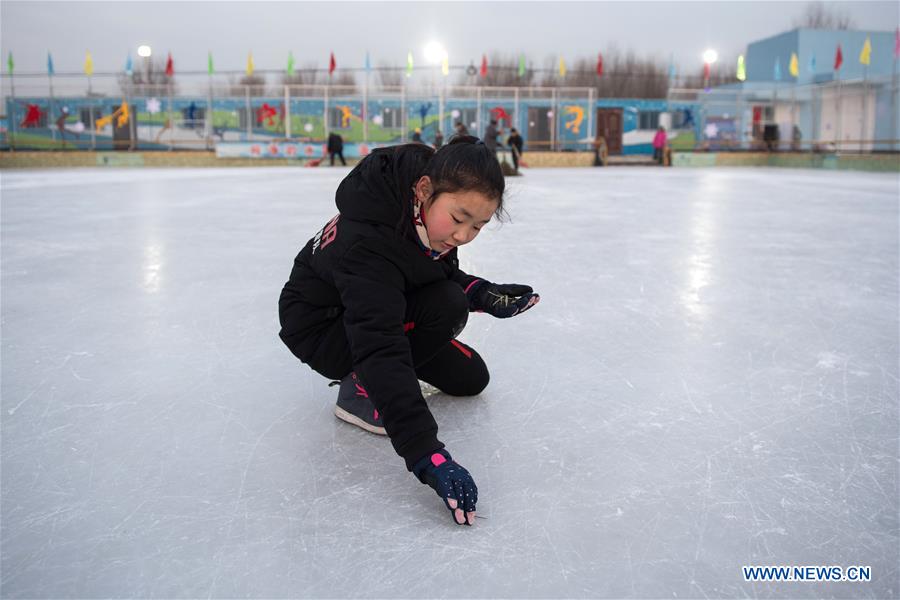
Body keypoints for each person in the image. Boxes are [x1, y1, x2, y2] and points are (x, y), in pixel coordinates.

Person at [278, 137, 540, 526]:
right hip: (324, 328)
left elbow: (436, 272)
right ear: (424, 190)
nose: (464, 235)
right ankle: (361, 391)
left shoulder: (425, 212)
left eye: (478, 226)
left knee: (471, 378)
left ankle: (386, 379)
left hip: (370, 310)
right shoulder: (370, 242)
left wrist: (484, 294)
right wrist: (427, 455)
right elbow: (380, 344)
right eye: (459, 219)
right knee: (445, 307)